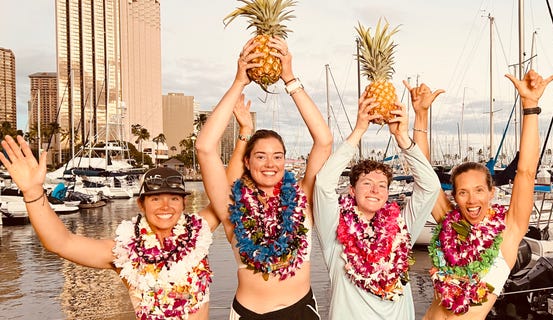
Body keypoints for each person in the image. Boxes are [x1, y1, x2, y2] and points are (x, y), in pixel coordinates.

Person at [0, 135, 220, 320]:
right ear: (141, 204)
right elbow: (60, 243)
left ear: (183, 203)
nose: (165, 206)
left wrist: (244, 132)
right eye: (155, 199)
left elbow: (226, 191)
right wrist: (32, 192)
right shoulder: (124, 252)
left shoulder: (198, 232)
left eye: (174, 198)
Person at [195, 36, 332, 319]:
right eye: (260, 156)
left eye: (277, 156)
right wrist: (239, 82)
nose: (270, 164)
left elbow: (324, 141)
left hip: (301, 311)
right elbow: (205, 148)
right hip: (248, 314)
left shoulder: (302, 197)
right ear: (247, 161)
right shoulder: (233, 206)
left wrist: (290, 79)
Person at [417, 69, 553, 319]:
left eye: (478, 190)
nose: (472, 200)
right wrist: (421, 115)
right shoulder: (449, 227)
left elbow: (526, 172)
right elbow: (424, 177)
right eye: (463, 192)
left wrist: (530, 107)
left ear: (491, 192)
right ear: (454, 196)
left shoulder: (509, 232)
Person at [312, 93, 442, 319]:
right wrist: (359, 130)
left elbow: (430, 186)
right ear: (352, 190)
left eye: (382, 185)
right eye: (367, 183)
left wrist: (402, 137)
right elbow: (323, 184)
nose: (375, 189)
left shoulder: (402, 229)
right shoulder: (334, 227)